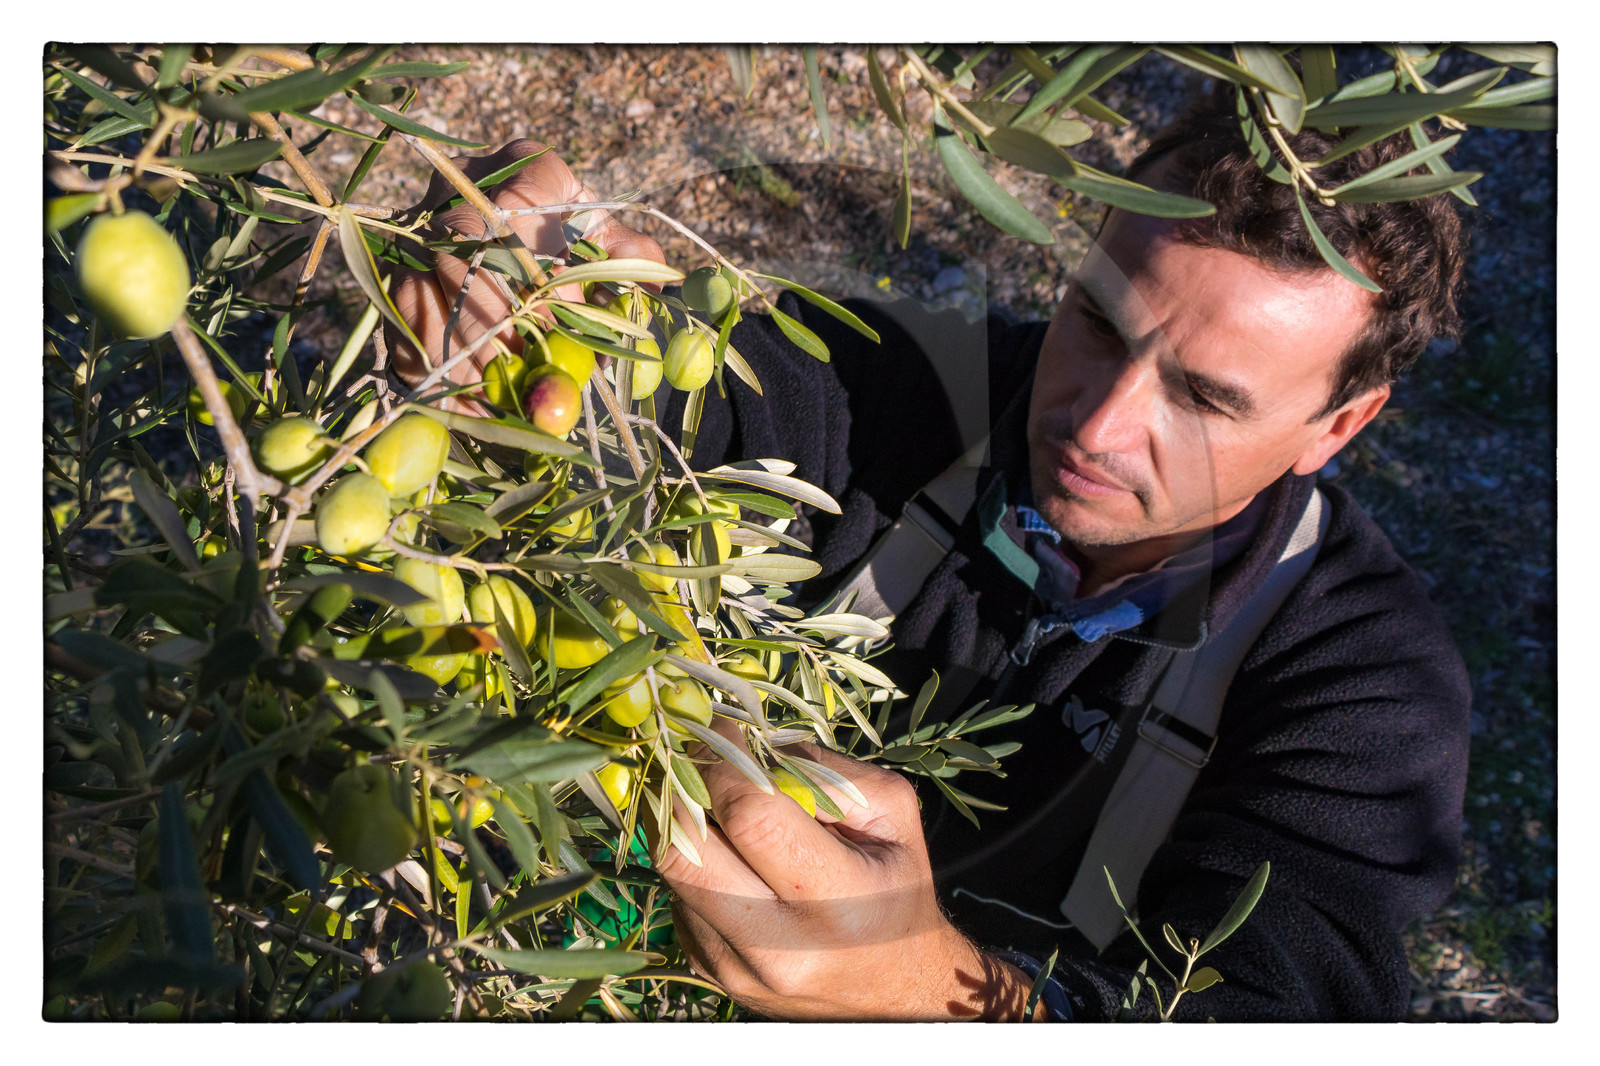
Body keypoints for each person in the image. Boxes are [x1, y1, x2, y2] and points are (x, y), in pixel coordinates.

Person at [388, 83, 1472, 1022]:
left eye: (1201, 398)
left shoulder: (1365, 690)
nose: (1095, 426)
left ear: (1337, 428)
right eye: (1096, 322)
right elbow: (683, 404)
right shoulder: (898, 386)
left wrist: (918, 990)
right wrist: (527, 288)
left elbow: (1280, 1006)